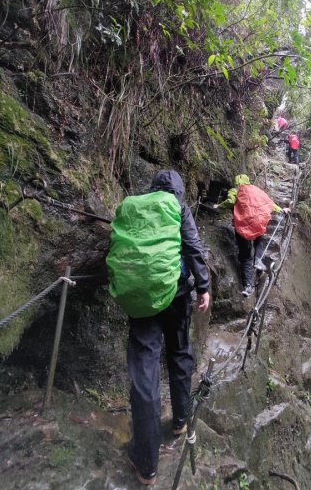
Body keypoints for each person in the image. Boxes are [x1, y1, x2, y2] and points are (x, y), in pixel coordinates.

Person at [107, 170, 210, 486]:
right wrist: (203, 286)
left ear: (151, 187)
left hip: (140, 300)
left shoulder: (132, 204)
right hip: (176, 294)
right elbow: (192, 246)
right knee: (179, 354)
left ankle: (146, 463)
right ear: (178, 190)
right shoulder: (177, 206)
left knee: (145, 374)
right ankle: (180, 420)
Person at [213, 174, 289, 297]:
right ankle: (258, 259)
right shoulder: (257, 190)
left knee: (245, 257)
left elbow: (231, 201)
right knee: (260, 240)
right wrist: (281, 210)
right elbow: (269, 203)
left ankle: (248, 286)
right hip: (259, 223)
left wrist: (219, 206)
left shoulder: (235, 190)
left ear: (237, 182)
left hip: (243, 225)